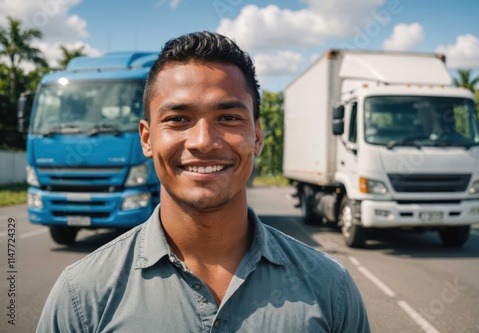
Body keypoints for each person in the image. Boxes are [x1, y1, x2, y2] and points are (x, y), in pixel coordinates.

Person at [37, 31, 370, 332]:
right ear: (147, 138)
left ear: (257, 137)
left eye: (228, 118)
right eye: (178, 119)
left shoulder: (330, 288)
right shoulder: (82, 295)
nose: (203, 141)